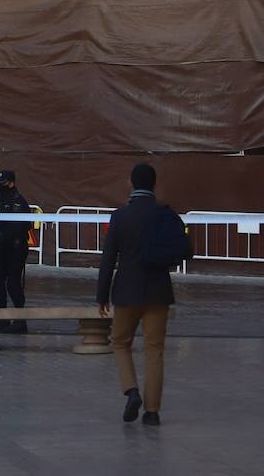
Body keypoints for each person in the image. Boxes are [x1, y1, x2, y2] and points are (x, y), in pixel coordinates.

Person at [97, 162, 192, 426]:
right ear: (154, 184)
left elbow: (108, 260)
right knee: (154, 350)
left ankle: (132, 390)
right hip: (159, 291)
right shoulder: (163, 213)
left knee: (119, 342)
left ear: (131, 183)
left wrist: (101, 296)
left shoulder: (121, 216)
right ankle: (152, 412)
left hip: (126, 291)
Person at [0, 169, 32, 332]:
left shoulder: (18, 202)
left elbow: (18, 225)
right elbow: (1, 223)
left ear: (11, 183)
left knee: (13, 284)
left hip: (16, 247)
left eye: (3, 183)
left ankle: (21, 321)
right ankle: (3, 316)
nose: (0, 186)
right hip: (5, 246)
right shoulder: (2, 199)